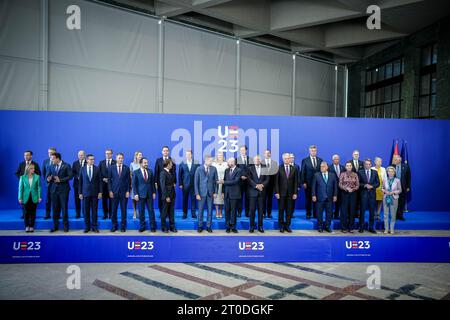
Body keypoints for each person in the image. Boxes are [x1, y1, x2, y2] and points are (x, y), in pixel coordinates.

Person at [46, 153, 72, 232]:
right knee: (55, 209)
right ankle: (55, 226)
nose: (51, 160)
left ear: (58, 158)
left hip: (63, 190)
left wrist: (60, 180)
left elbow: (70, 176)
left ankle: (65, 227)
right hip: (54, 190)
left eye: (53, 158)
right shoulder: (51, 166)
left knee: (64, 208)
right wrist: (48, 178)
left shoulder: (66, 165)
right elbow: (47, 176)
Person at [274, 153, 298, 233]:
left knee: (289, 210)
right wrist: (277, 192)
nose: (287, 160)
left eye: (288, 158)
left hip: (290, 194)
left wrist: (295, 193)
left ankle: (287, 226)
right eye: (285, 158)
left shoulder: (294, 168)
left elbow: (295, 182)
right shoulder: (278, 168)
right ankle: (281, 226)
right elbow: (276, 182)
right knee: (281, 210)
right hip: (281, 193)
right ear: (283, 159)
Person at [78, 154, 103, 233]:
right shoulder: (82, 169)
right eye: (90, 159)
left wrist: (100, 192)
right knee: (86, 211)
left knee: (94, 211)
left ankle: (94, 227)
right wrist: (80, 193)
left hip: (95, 193)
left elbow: (100, 182)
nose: (92, 161)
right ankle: (87, 227)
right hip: (85, 193)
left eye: (93, 159)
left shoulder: (97, 169)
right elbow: (80, 182)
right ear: (87, 160)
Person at [194, 155, 218, 233]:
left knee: (210, 211)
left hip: (210, 193)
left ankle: (208, 226)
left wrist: (215, 192)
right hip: (201, 193)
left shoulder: (214, 169)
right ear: (206, 160)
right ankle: (200, 226)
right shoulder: (199, 169)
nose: (212, 162)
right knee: (200, 211)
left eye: (212, 161)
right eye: (210, 161)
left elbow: (216, 182)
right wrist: (197, 193)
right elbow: (196, 182)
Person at [312, 161, 338, 233]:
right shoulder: (316, 175)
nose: (321, 168)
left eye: (323, 166)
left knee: (329, 213)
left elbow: (335, 186)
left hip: (329, 197)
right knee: (319, 213)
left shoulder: (332, 175)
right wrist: (313, 195)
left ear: (327, 167)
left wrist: (335, 195)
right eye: (320, 166)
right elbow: (313, 186)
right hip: (320, 197)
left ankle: (327, 226)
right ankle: (320, 227)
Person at [15, 150, 42, 219]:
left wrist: (33, 177)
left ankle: (32, 216)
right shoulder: (21, 164)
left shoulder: (35, 164)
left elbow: (39, 174)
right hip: (24, 186)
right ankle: (24, 215)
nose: (26, 156)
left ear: (31, 156)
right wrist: (23, 179)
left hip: (33, 186)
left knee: (32, 203)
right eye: (24, 155)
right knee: (24, 202)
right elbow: (16, 173)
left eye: (27, 155)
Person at [133, 158, 157, 232]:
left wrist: (154, 192)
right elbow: (134, 184)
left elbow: (152, 183)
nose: (146, 164)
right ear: (141, 164)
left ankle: (153, 227)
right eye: (145, 163)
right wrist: (136, 194)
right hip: (140, 195)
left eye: (147, 162)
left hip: (149, 194)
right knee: (141, 211)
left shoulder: (150, 171)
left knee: (151, 211)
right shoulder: (136, 172)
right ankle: (142, 226)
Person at [108, 153, 130, 232]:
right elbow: (109, 181)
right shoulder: (111, 168)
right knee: (114, 210)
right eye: (119, 158)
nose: (120, 159)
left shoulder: (126, 168)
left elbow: (128, 181)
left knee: (123, 210)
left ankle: (123, 226)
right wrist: (110, 191)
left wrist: (128, 191)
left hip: (124, 193)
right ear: (116, 158)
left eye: (121, 158)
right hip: (114, 192)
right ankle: (114, 225)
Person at [219, 158, 241, 233]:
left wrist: (224, 182)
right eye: (228, 162)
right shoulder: (226, 170)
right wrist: (222, 192)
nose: (228, 163)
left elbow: (235, 181)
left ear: (233, 162)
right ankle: (228, 226)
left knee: (233, 211)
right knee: (227, 211)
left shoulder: (238, 170)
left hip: (234, 194)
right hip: (227, 194)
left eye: (229, 162)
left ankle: (233, 227)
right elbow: (224, 183)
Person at [247, 155, 269, 233]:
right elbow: (249, 179)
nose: (257, 160)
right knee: (252, 211)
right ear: (254, 161)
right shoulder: (250, 168)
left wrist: (262, 185)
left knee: (261, 211)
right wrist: (256, 186)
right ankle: (252, 226)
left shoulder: (265, 167)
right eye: (256, 159)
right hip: (253, 192)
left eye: (259, 159)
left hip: (262, 192)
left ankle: (260, 226)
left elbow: (267, 179)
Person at [358, 159, 380, 233]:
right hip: (363, 195)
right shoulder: (360, 172)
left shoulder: (375, 172)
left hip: (372, 195)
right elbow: (358, 183)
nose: (367, 165)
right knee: (362, 212)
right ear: (364, 165)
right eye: (366, 164)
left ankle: (371, 227)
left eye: (369, 164)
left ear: (371, 165)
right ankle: (361, 227)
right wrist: (364, 185)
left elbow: (378, 183)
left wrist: (372, 186)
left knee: (372, 212)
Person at [18, 164, 42, 232]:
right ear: (28, 169)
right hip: (25, 197)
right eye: (32, 169)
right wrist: (20, 198)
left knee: (33, 213)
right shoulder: (22, 177)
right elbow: (20, 189)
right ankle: (27, 226)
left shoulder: (37, 177)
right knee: (26, 213)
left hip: (34, 197)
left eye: (34, 168)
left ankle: (32, 226)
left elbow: (39, 188)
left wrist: (39, 197)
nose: (33, 170)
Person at [154, 146, 176, 218]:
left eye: (167, 151)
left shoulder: (172, 160)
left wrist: (174, 181)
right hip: (161, 183)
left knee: (170, 198)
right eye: (164, 151)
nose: (165, 152)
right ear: (162, 152)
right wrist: (156, 182)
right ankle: (162, 212)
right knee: (161, 197)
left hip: (170, 183)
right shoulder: (158, 160)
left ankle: (169, 213)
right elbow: (156, 172)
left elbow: (174, 172)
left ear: (168, 152)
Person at [301, 145, 322, 219]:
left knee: (317, 199)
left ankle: (316, 214)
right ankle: (308, 213)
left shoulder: (320, 160)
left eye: (315, 150)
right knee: (308, 199)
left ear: (316, 151)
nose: (313, 152)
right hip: (308, 184)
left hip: (318, 184)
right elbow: (303, 172)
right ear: (309, 151)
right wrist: (303, 182)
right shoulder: (305, 160)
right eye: (312, 150)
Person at [339, 161, 360, 233]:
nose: (349, 167)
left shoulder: (355, 174)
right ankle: (343, 227)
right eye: (347, 165)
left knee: (352, 211)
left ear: (352, 167)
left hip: (353, 194)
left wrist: (353, 189)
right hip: (344, 194)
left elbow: (357, 185)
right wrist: (346, 188)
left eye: (350, 165)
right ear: (345, 167)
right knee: (344, 211)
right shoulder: (342, 174)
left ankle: (351, 227)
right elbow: (340, 184)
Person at [178, 149, 199, 219]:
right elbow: (179, 174)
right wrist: (180, 184)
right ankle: (184, 213)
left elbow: (198, 174)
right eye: (187, 154)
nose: (188, 155)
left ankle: (193, 213)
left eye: (189, 154)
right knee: (185, 199)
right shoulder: (182, 163)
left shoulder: (196, 163)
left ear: (191, 155)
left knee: (193, 199)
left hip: (194, 185)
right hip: (185, 184)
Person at [382, 166, 402, 234]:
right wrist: (385, 191)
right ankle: (386, 229)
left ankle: (392, 229)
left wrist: (393, 192)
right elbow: (382, 188)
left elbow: (400, 190)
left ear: (394, 173)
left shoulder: (397, 180)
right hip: (386, 198)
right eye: (389, 171)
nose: (390, 173)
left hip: (394, 198)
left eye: (392, 171)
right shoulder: (385, 180)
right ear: (387, 172)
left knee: (393, 215)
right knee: (385, 214)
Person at [160, 159, 177, 233]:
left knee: (171, 211)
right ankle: (164, 227)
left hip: (172, 195)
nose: (172, 165)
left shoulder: (170, 172)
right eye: (171, 164)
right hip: (167, 196)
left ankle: (172, 227)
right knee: (164, 212)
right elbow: (162, 186)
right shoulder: (163, 173)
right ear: (167, 164)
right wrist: (166, 196)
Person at [391, 155, 411, 221]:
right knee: (394, 202)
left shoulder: (406, 166)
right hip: (394, 188)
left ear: (401, 160)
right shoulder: (392, 167)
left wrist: (408, 186)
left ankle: (400, 215)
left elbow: (408, 177)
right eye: (396, 159)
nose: (398, 160)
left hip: (403, 187)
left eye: (399, 159)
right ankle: (395, 216)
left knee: (402, 202)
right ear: (395, 160)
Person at [99, 149, 116, 219]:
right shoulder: (101, 162)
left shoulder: (115, 162)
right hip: (103, 185)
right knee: (104, 200)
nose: (107, 155)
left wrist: (110, 179)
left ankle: (111, 214)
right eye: (106, 153)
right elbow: (98, 173)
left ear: (112, 154)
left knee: (112, 200)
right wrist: (103, 178)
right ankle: (105, 214)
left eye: (109, 153)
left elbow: (116, 173)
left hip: (112, 185)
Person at [262, 149, 278, 219]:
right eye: (266, 153)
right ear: (264, 154)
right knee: (263, 200)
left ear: (270, 154)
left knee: (270, 200)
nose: (267, 154)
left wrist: (275, 185)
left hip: (271, 185)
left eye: (268, 153)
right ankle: (263, 213)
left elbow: (276, 175)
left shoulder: (274, 163)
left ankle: (269, 213)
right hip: (263, 185)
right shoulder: (261, 162)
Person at [328, 154, 345, 219]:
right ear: (332, 160)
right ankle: (330, 214)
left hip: (341, 189)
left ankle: (336, 214)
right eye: (335, 159)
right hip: (332, 188)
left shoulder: (342, 168)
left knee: (339, 202)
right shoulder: (329, 168)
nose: (336, 160)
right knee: (331, 203)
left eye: (337, 159)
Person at [236, 145, 251, 217]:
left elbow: (252, 170)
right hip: (240, 182)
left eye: (243, 150)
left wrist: (247, 177)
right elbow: (236, 171)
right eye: (241, 150)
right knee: (239, 198)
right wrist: (240, 176)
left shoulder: (250, 159)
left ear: (246, 150)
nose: (242, 151)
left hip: (248, 182)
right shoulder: (236, 159)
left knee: (248, 198)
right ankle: (239, 212)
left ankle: (247, 212)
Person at [42, 147, 56, 219]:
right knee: (48, 200)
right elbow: (43, 172)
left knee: (56, 200)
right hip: (48, 184)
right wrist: (47, 179)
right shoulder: (45, 161)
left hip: (56, 184)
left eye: (51, 153)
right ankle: (47, 214)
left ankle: (56, 215)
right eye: (49, 153)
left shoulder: (58, 161)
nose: (50, 154)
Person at [372, 157, 387, 224]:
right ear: (375, 162)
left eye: (381, 161)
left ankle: (378, 214)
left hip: (381, 188)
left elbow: (385, 179)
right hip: (374, 188)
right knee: (374, 202)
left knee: (380, 202)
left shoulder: (383, 169)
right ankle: (374, 214)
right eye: (378, 161)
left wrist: (385, 188)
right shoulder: (372, 169)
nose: (380, 163)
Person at [213, 151, 227, 219]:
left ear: (223, 156)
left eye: (221, 155)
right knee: (216, 198)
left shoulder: (226, 163)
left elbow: (227, 173)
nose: (220, 156)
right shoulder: (213, 164)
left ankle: (221, 212)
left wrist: (224, 181)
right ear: (217, 156)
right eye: (219, 155)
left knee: (222, 198)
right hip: (216, 183)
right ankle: (217, 212)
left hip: (223, 183)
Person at [72, 150, 86, 219]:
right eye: (79, 155)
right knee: (77, 199)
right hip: (77, 185)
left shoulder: (88, 162)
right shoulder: (75, 163)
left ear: (84, 155)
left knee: (85, 200)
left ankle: (85, 213)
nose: (80, 156)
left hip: (85, 185)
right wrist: (77, 176)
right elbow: (72, 173)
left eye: (82, 155)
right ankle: (78, 213)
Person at [129, 151, 143, 219]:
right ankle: (134, 211)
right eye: (139, 155)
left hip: (141, 184)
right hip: (134, 183)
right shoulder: (132, 164)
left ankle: (140, 211)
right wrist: (131, 183)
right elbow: (131, 174)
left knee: (141, 198)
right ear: (136, 156)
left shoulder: (143, 163)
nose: (140, 156)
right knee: (134, 198)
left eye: (141, 155)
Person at [289, 153, 301, 218]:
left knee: (293, 201)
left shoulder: (297, 166)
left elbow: (298, 177)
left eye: (293, 158)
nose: (291, 159)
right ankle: (287, 212)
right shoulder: (284, 166)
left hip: (294, 187)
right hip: (286, 187)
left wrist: (298, 186)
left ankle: (291, 213)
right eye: (290, 157)